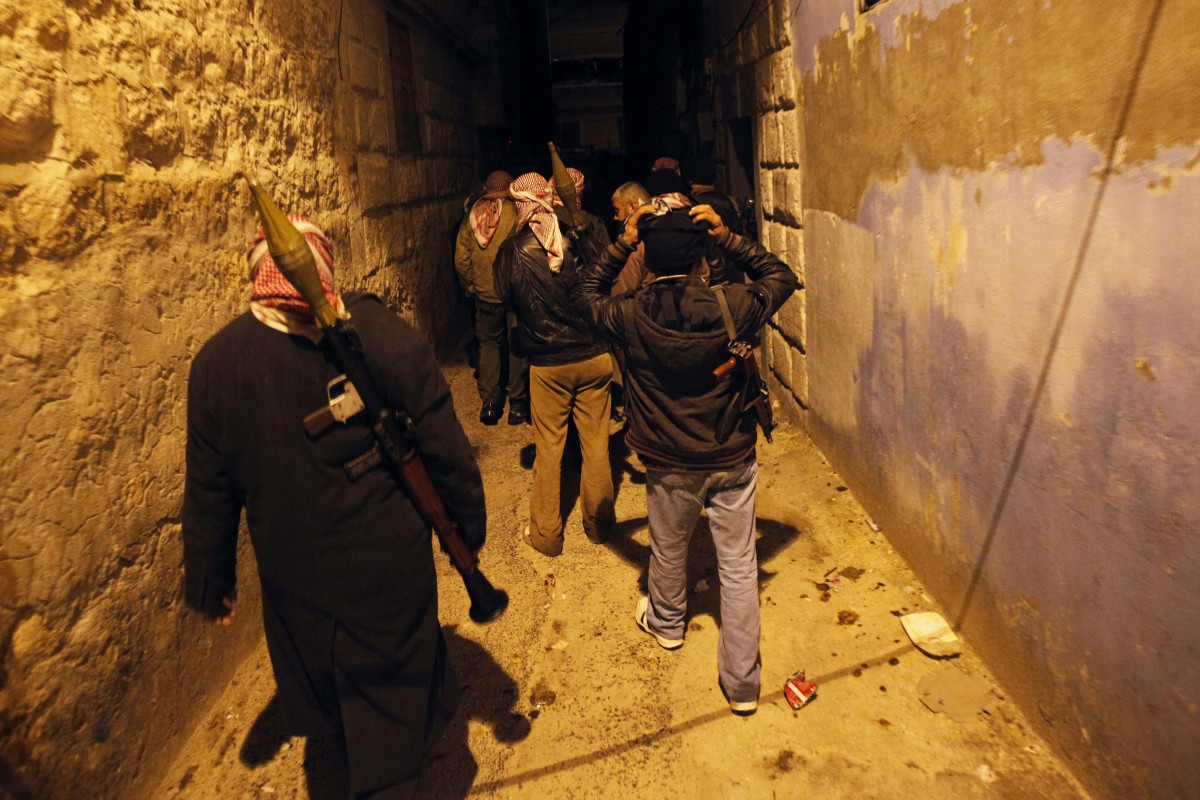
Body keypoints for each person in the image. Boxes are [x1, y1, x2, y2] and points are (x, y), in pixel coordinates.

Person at [183, 216, 487, 798]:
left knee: (331, 678)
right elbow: (446, 448)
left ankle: (360, 750)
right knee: (389, 701)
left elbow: (209, 489)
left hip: (293, 573)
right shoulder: (382, 336)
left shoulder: (217, 363)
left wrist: (210, 580)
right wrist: (467, 527)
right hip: (384, 569)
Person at [570, 203, 799, 715]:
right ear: (701, 256)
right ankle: (742, 685)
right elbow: (782, 276)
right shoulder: (733, 304)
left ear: (649, 258)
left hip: (668, 458)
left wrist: (624, 241)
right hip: (730, 453)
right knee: (738, 565)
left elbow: (581, 294)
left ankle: (668, 625)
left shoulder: (628, 312)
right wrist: (730, 238)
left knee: (669, 548)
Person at [494, 172, 615, 556]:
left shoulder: (512, 250)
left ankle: (547, 536)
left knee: (549, 450)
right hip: (594, 356)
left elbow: (505, 298)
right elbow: (604, 284)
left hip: (549, 366)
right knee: (596, 444)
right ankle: (599, 525)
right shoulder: (581, 239)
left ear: (521, 204)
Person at [454, 170, 530, 425]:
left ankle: (490, 404)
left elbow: (461, 259)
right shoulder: (516, 212)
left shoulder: (472, 217)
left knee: (489, 345)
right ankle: (518, 404)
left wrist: (472, 287)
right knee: (516, 343)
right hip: (513, 292)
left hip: (485, 294)